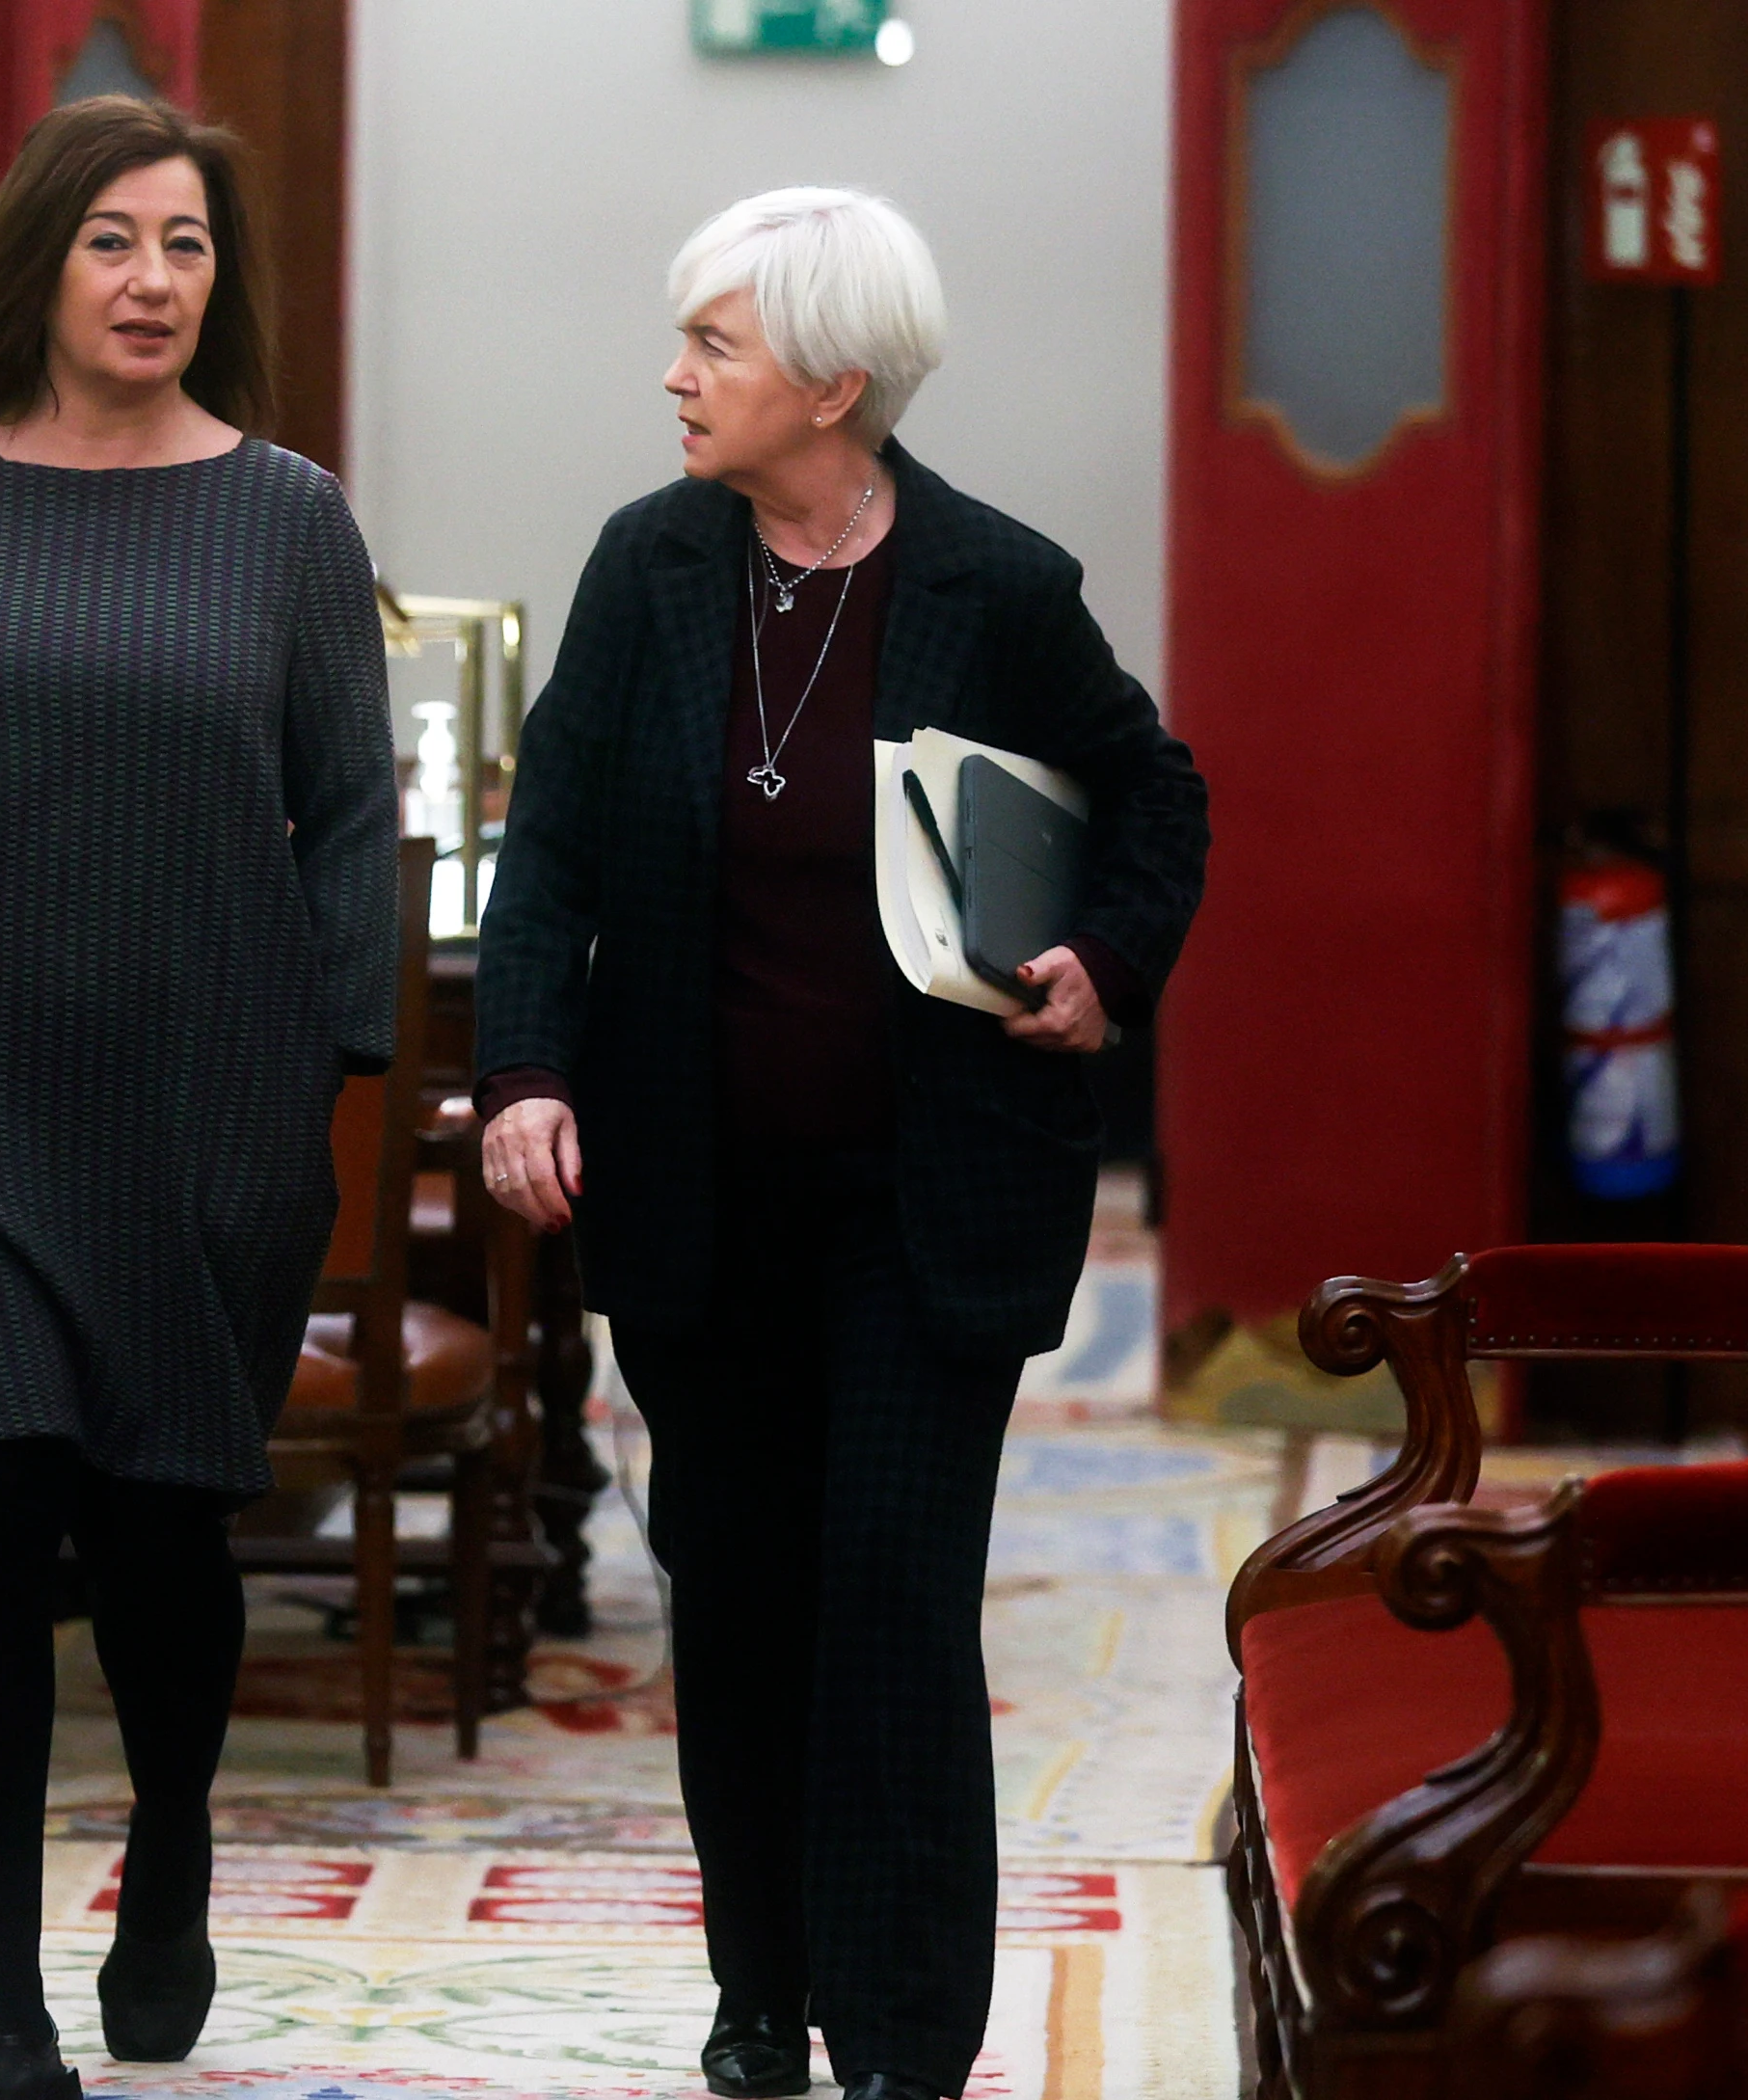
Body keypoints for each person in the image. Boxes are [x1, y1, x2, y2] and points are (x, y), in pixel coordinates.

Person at [471, 189, 1207, 2100]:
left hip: (921, 1201)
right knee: (735, 1600)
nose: (673, 374)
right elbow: (544, 855)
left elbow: (1156, 794)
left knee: (888, 1604)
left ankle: (898, 2042)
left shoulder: (997, 585)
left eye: (711, 344)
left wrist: (1102, 967)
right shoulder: (645, 571)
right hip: (701, 1198)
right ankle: (755, 1993)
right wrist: (529, 1075)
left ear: (832, 382)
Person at [0, 94, 397, 2100]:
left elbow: (354, 822)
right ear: (36, 262)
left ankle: (174, 1848)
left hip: (203, 1099)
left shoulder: (284, 516)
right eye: (113, 240)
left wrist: (329, 1084)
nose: (150, 281)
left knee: (159, 1544)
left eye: (185, 246)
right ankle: (1, 2009)